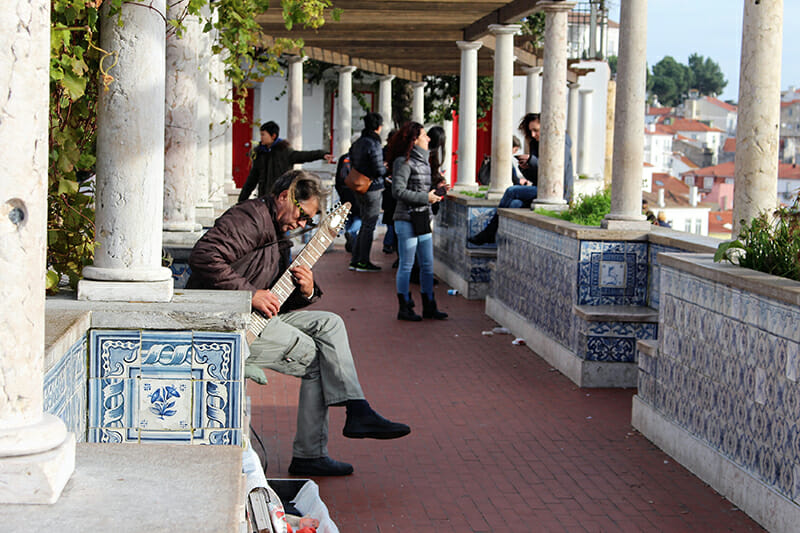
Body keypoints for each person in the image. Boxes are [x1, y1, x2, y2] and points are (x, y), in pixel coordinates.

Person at [187, 170, 410, 477]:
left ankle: (358, 407)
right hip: (226, 319)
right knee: (321, 359)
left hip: (255, 313)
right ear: (284, 196)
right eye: (303, 215)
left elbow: (277, 299)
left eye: (310, 221)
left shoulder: (278, 234)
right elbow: (204, 255)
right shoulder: (249, 218)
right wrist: (249, 294)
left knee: (330, 323)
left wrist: (306, 290)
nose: (303, 225)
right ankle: (310, 453)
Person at [468, 113, 574, 245]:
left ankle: (489, 233)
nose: (533, 134)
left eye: (536, 130)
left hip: (557, 193)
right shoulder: (536, 144)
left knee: (511, 191)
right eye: (531, 131)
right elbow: (535, 176)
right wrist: (525, 167)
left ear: (546, 127)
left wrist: (532, 160)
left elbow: (556, 172)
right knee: (514, 205)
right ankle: (503, 242)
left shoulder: (560, 142)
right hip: (539, 190)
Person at [387, 122, 449, 321]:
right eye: (424, 135)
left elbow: (420, 186)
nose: (428, 138)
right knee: (407, 264)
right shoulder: (403, 162)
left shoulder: (424, 161)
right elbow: (397, 191)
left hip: (422, 217)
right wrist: (426, 198)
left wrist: (436, 187)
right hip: (406, 218)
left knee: (428, 265)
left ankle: (429, 305)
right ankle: (404, 306)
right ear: (414, 140)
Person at [238, 121, 332, 203]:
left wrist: (322, 154)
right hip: (264, 198)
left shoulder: (284, 152)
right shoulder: (260, 154)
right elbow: (252, 179)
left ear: (273, 136)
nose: (261, 137)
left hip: (282, 197)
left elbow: (304, 156)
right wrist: (241, 200)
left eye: (263, 134)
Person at [348, 112, 387, 272]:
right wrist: (385, 169)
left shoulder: (358, 143)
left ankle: (355, 260)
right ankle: (363, 261)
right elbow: (379, 169)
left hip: (359, 186)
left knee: (364, 224)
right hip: (372, 187)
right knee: (369, 225)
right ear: (378, 127)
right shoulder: (374, 143)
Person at [334, 153, 362, 252]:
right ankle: (351, 233)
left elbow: (338, 177)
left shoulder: (343, 157)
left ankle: (351, 241)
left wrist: (340, 191)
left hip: (344, 191)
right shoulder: (362, 156)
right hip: (358, 191)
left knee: (348, 216)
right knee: (359, 216)